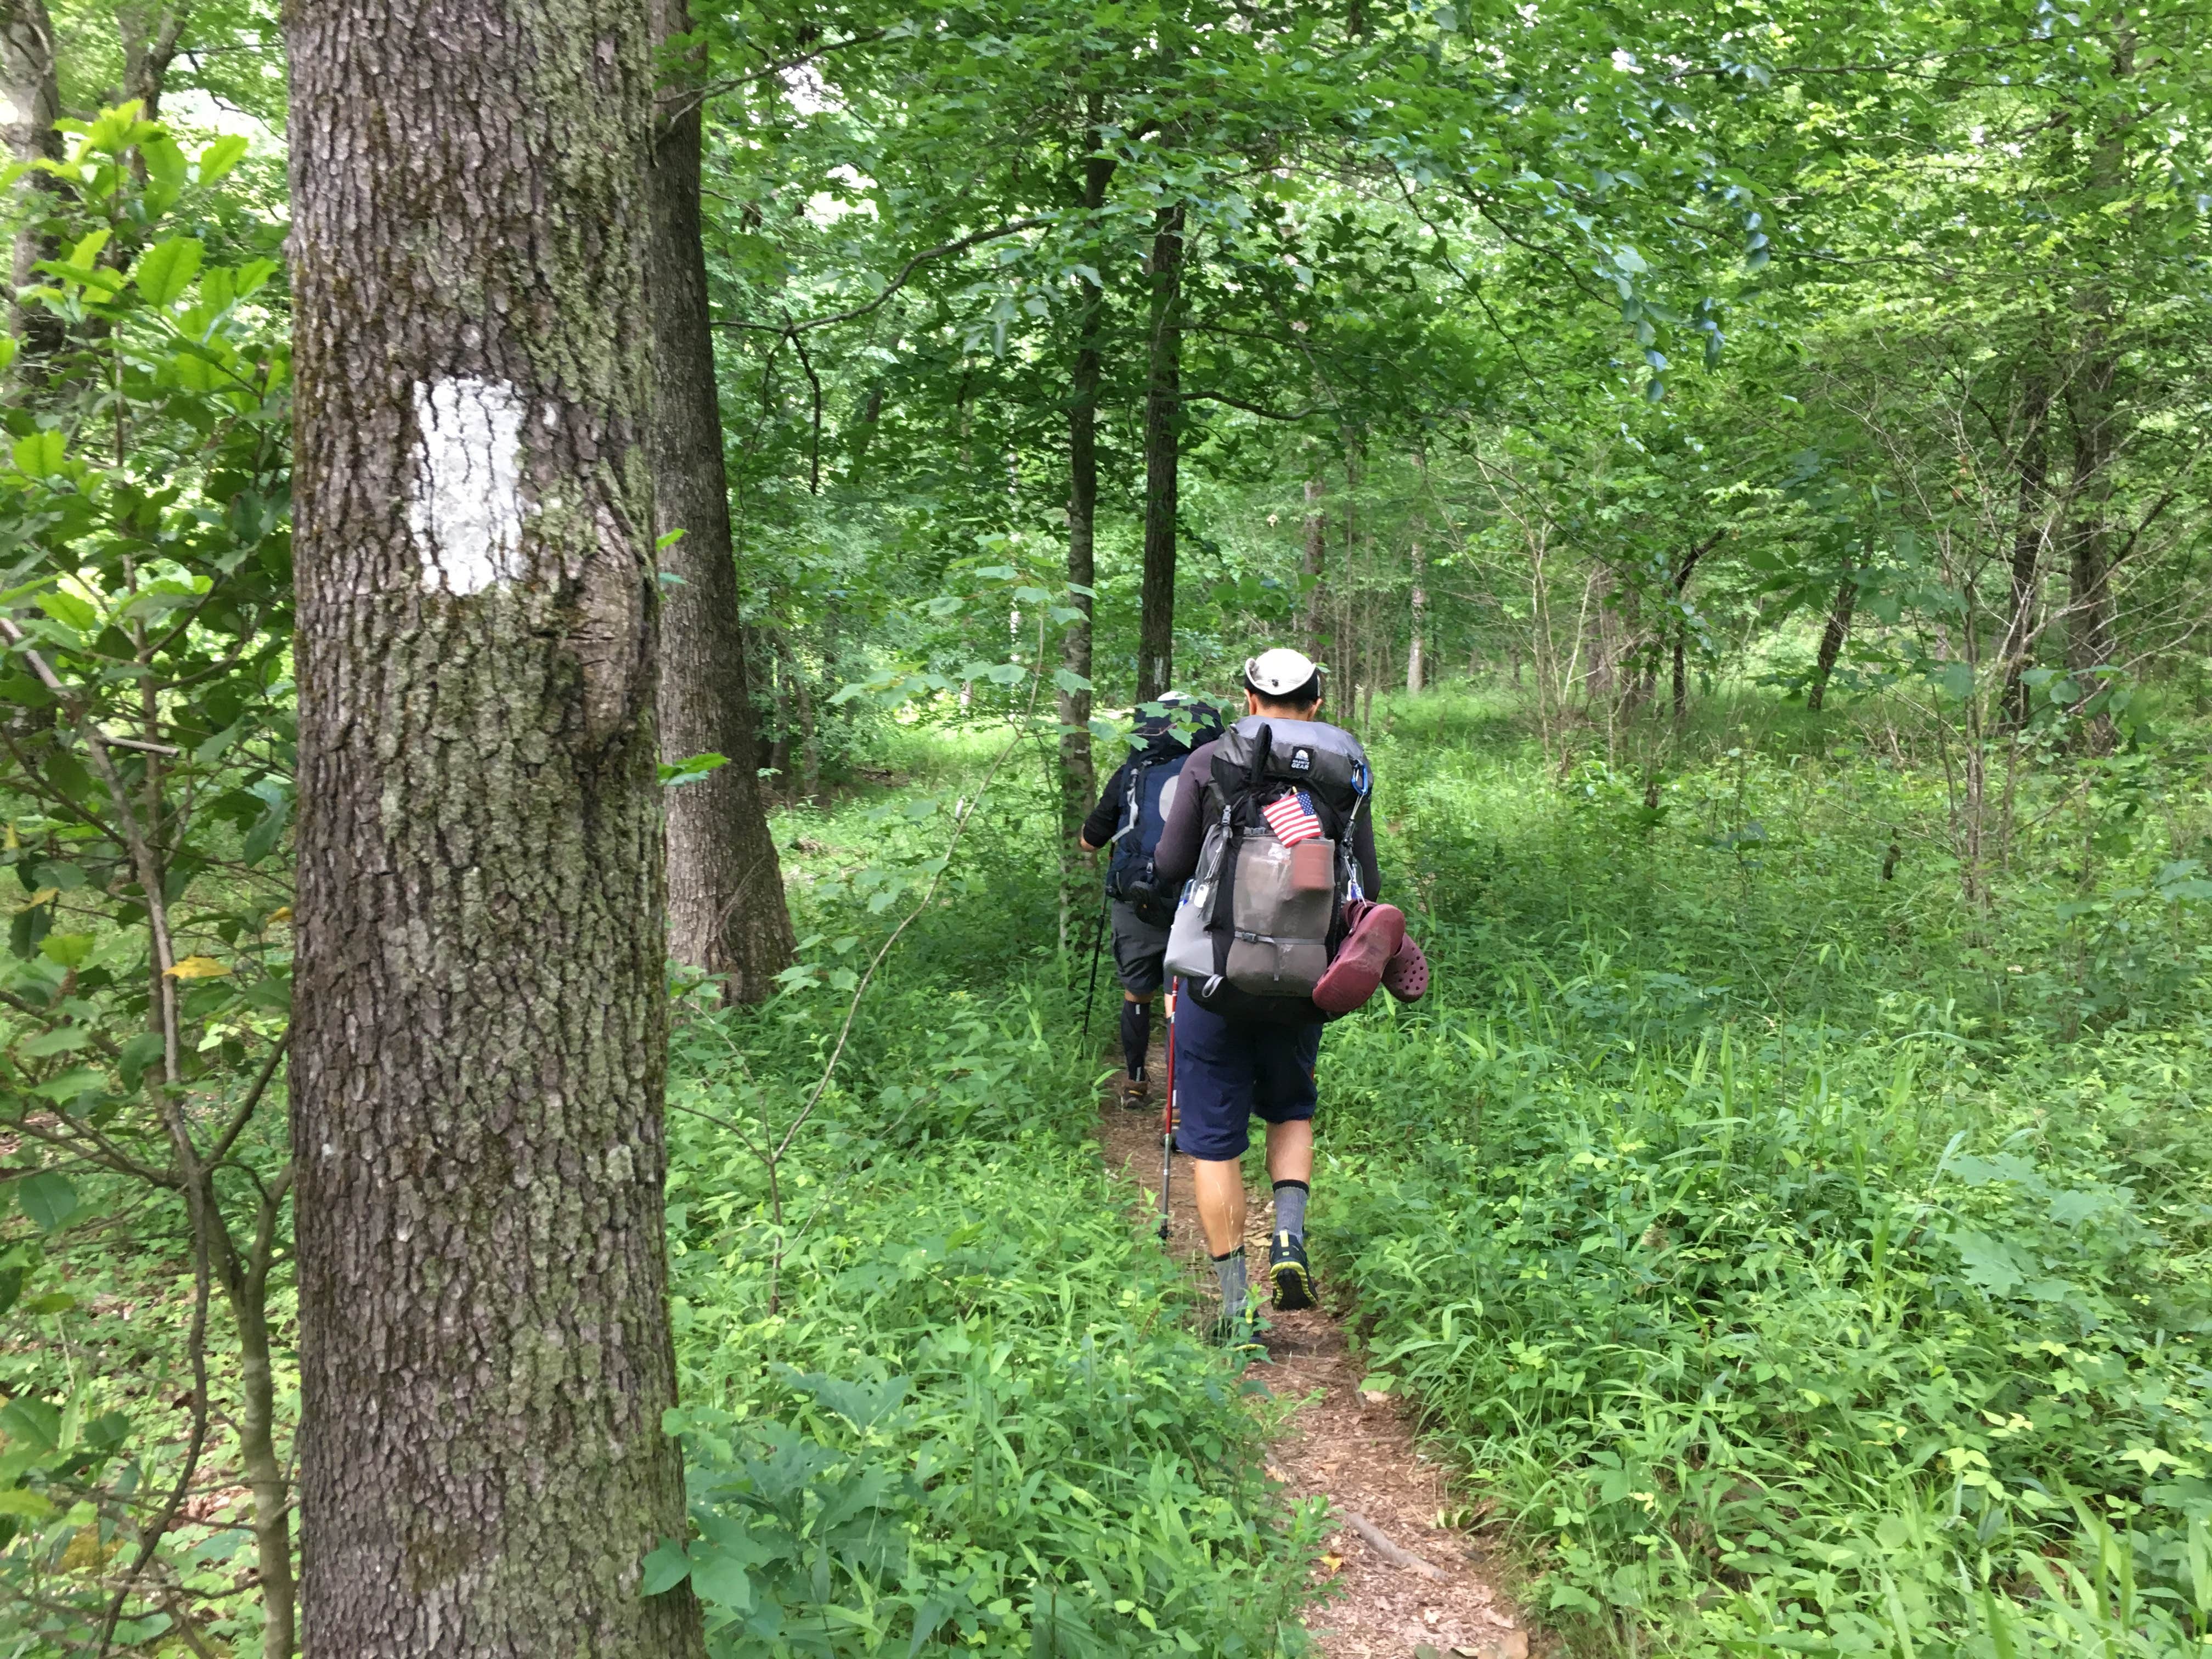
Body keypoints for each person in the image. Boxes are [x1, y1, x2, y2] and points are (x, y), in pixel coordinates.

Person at [1151, 647, 1384, 1336]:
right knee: (1290, 1107)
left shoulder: (1211, 760)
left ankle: (1233, 1307)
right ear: (1315, 703)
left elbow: (1169, 867)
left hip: (1216, 981)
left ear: (1249, 701)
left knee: (1214, 1142)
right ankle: (1287, 1236)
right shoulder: (1347, 769)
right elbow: (1366, 885)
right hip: (1306, 983)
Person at [1076, 696, 1224, 1109]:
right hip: (1198, 900)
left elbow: (1090, 840)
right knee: (1185, 997)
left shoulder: (1131, 774)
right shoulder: (1218, 776)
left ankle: (1137, 1081)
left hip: (1137, 897)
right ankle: (1181, 1095)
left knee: (1137, 993)